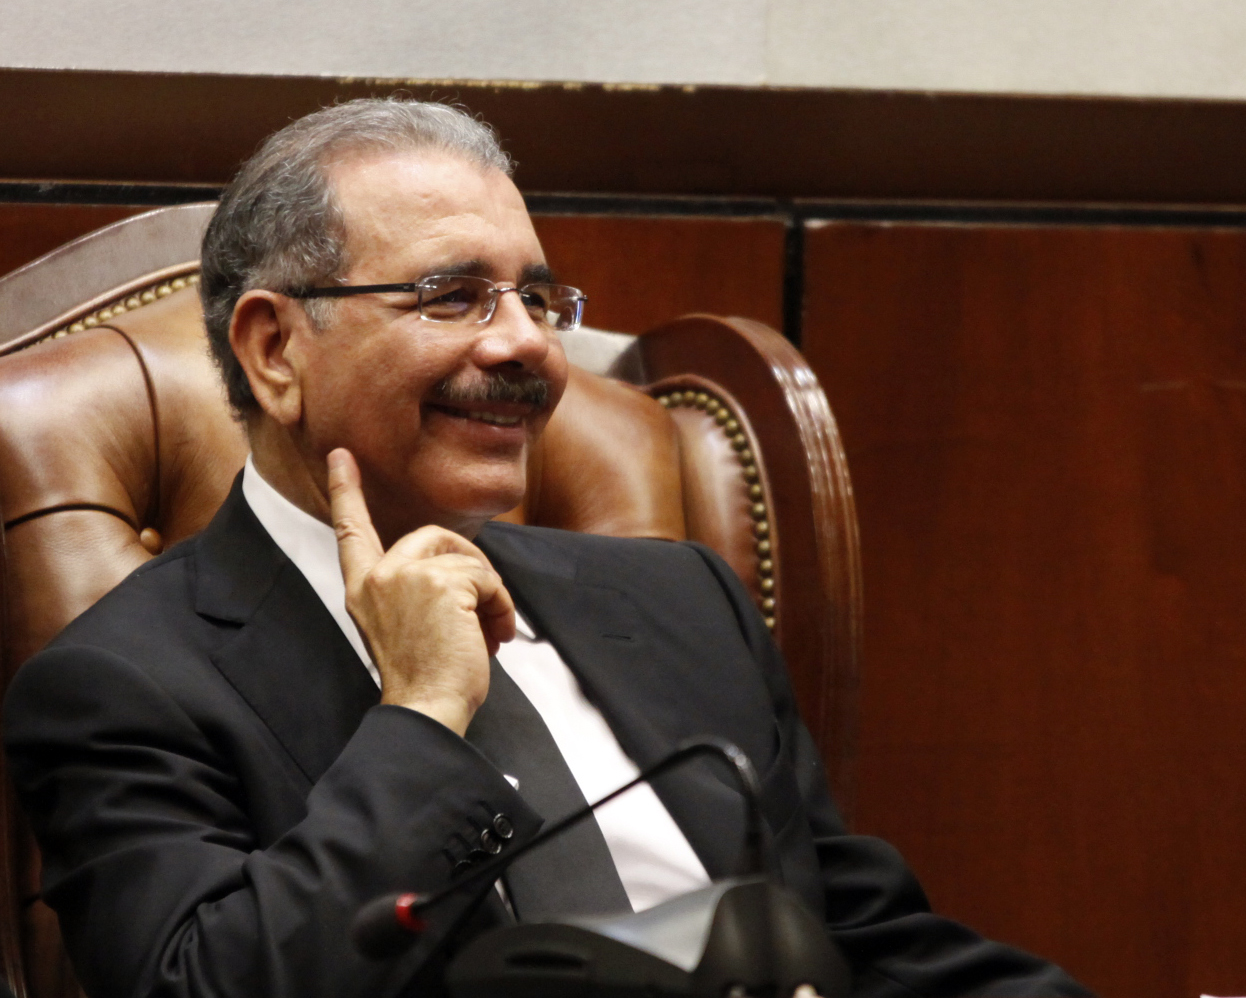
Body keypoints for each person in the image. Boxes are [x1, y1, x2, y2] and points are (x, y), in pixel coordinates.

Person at [3, 99, 1090, 998]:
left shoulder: (681, 602)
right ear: (275, 348)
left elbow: (868, 943)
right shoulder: (123, 685)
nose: (528, 343)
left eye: (534, 295)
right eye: (452, 296)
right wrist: (422, 714)